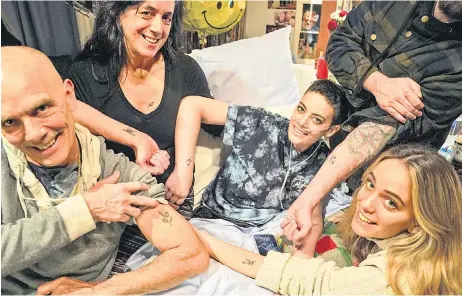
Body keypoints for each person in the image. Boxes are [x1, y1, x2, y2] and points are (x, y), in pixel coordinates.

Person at [1, 46, 209, 295]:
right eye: (10, 122)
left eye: (42, 108)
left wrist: (98, 291)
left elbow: (191, 254)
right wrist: (85, 209)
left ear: (69, 95)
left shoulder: (118, 175)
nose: (33, 134)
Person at [283, 0, 462, 253]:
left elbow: (379, 126)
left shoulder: (458, 70)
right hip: (332, 167)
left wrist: (311, 198)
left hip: (384, 183)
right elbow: (339, 43)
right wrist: (376, 82)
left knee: (357, 259)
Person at [195, 144, 462, 295]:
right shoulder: (425, 247)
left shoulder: (389, 278)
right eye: (370, 183)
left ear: (420, 220)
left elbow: (303, 279)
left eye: (391, 202)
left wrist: (205, 241)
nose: (365, 204)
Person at [65, 0, 223, 218]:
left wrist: (183, 172)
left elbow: (219, 125)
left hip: (172, 202)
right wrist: (135, 138)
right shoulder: (85, 74)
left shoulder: (185, 70)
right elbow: (63, 112)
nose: (158, 28)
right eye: (147, 13)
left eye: (166, 18)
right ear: (118, 14)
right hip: (113, 209)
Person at [174, 80, 351, 257]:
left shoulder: (323, 161)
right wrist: (183, 173)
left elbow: (314, 215)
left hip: (269, 236)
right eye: (301, 109)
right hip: (217, 223)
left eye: (317, 120)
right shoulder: (261, 124)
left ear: (331, 131)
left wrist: (301, 264)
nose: (302, 122)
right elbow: (192, 105)